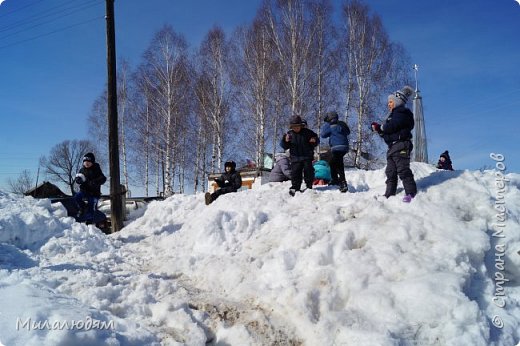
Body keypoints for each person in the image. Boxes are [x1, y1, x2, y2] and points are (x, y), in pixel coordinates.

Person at [371, 86, 418, 203]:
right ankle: (389, 193)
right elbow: (388, 133)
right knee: (390, 172)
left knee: (403, 169)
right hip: (392, 147)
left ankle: (411, 193)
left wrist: (382, 127)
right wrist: (379, 131)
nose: (389, 104)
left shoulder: (402, 113)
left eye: (391, 101)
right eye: (388, 102)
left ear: (397, 102)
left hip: (402, 144)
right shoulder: (392, 116)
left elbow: (393, 125)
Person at [280, 115, 319, 196]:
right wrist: (285, 140)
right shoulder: (289, 134)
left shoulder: (308, 132)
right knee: (295, 173)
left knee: (309, 171)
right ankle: (295, 187)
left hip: (307, 156)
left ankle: (309, 186)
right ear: (291, 127)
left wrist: (314, 140)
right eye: (294, 127)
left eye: (297, 126)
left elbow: (316, 140)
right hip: (295, 158)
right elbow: (284, 146)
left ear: (301, 125)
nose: (296, 128)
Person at [320, 111, 350, 193]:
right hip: (344, 147)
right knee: (332, 162)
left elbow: (323, 135)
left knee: (339, 164)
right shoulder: (341, 124)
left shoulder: (330, 126)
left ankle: (343, 182)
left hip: (336, 148)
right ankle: (335, 179)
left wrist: (326, 124)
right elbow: (348, 132)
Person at [74, 152, 107, 219]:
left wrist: (95, 182)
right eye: (85, 161)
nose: (86, 163)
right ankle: (82, 207)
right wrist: (78, 180)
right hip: (84, 190)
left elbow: (103, 178)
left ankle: (90, 218)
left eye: (89, 161)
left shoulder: (96, 169)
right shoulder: (82, 170)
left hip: (94, 192)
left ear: (92, 162)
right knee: (77, 197)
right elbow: (78, 177)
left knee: (92, 203)